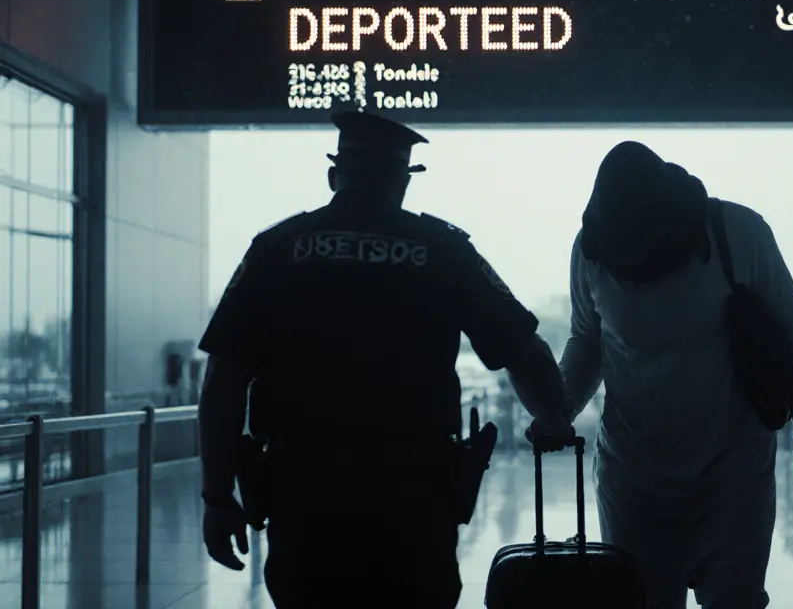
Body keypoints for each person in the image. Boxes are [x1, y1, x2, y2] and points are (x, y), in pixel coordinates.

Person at [197, 111, 574, 608]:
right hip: (413, 503)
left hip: (306, 499)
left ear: (335, 175)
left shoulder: (276, 250)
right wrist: (553, 422)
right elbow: (528, 353)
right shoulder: (444, 252)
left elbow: (223, 380)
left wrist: (218, 498)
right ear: (402, 181)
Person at [546, 141, 793, 609]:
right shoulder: (592, 249)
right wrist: (555, 410)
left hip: (732, 471)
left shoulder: (738, 233)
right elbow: (588, 341)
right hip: (634, 477)